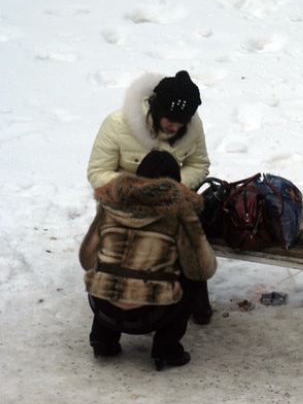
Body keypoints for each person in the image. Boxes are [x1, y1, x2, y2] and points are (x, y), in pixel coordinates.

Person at [87, 70, 214, 324]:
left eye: (182, 122)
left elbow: (199, 164)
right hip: (124, 203)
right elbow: (98, 171)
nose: (176, 127)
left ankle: (194, 302)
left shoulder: (191, 124)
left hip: (170, 202)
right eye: (170, 120)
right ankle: (107, 324)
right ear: (156, 108)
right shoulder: (118, 123)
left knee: (190, 248)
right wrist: (136, 191)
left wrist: (172, 187)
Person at [79, 150, 218, 370]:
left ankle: (103, 340)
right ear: (175, 181)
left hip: (104, 308)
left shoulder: (109, 204)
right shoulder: (182, 211)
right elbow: (203, 268)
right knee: (194, 275)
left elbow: (86, 258)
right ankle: (166, 349)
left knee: (109, 265)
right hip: (151, 313)